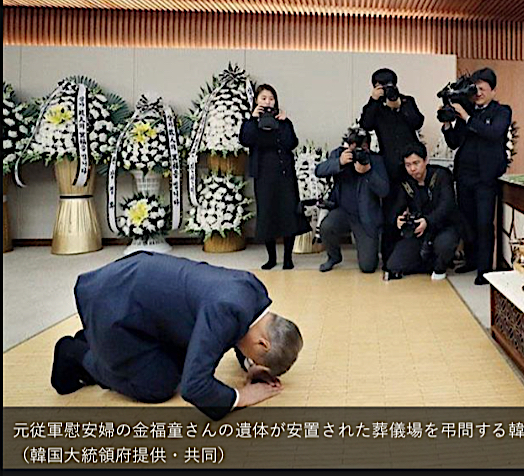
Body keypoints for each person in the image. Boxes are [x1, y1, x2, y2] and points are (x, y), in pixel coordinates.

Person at [50, 252, 303, 420]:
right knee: (157, 386)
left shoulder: (254, 292)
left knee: (178, 364)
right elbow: (194, 387)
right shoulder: (224, 310)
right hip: (113, 305)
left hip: (134, 295)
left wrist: (250, 365)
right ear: (263, 342)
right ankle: (76, 353)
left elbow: (238, 330)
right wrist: (240, 397)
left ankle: (95, 340)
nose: (253, 361)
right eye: (258, 357)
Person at [441, 67, 512, 286]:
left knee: (483, 223)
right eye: (475, 89)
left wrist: (467, 117)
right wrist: (447, 124)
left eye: (482, 89)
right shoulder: (468, 112)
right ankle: (471, 261)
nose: (478, 93)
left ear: (493, 90)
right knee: (468, 222)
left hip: (485, 178)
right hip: (464, 175)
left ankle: (484, 269)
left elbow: (493, 133)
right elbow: (455, 141)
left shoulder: (502, 111)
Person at [239, 83, 310, 270]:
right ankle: (271, 258)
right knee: (267, 215)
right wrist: (253, 119)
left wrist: (284, 123)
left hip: (284, 175)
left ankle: (288, 258)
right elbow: (245, 140)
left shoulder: (284, 122)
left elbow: (291, 143)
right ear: (256, 101)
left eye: (271, 98)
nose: (268, 102)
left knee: (288, 214)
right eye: (263, 98)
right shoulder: (250, 123)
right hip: (263, 176)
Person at [358, 68, 425, 263]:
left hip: (410, 164)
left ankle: (416, 253)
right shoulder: (376, 108)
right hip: (389, 167)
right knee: (391, 210)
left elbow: (417, 121)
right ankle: (389, 256)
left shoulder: (407, 101)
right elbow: (366, 123)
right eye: (381, 85)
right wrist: (373, 100)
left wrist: (399, 106)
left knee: (415, 205)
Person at [315, 127, 390, 274]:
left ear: (368, 146)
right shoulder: (339, 155)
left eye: (361, 147)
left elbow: (384, 190)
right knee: (326, 226)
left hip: (366, 218)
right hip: (343, 211)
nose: (357, 152)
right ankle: (333, 257)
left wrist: (368, 171)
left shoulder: (376, 160)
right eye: (353, 147)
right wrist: (340, 162)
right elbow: (319, 171)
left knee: (368, 267)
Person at [384, 142, 461, 281]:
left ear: (425, 160)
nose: (413, 169)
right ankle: (431, 262)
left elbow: (447, 205)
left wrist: (428, 221)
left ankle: (440, 263)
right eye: (408, 165)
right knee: (393, 265)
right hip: (419, 230)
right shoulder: (405, 182)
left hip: (444, 226)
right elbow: (398, 207)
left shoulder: (441, 175)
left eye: (416, 163)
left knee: (444, 245)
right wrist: (398, 218)